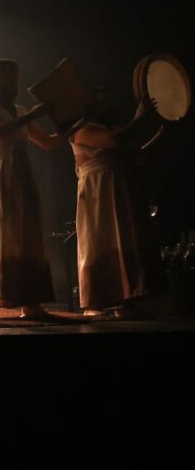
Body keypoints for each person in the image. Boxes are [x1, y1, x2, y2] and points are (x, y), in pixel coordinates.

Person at [0, 59, 66, 319]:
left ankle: (30, 302)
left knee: (26, 234)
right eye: (6, 78)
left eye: (15, 78)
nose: (13, 84)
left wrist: (73, 124)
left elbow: (47, 143)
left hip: (22, 174)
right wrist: (34, 115)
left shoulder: (22, 110)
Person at [69, 90, 157, 317]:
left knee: (122, 239)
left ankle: (123, 301)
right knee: (100, 242)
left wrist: (159, 131)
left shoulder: (109, 128)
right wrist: (140, 117)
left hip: (115, 189)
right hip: (97, 191)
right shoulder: (80, 129)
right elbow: (114, 141)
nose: (109, 105)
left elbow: (135, 152)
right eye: (102, 102)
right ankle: (95, 303)